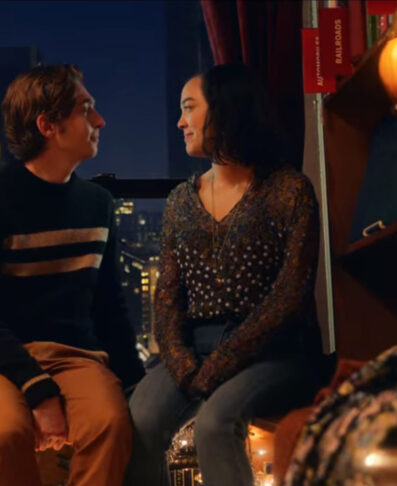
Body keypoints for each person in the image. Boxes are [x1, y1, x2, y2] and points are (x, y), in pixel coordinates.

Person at [125, 63, 323, 486]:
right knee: (140, 416)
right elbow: (167, 298)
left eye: (189, 108)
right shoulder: (181, 201)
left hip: (276, 353)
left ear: (225, 109)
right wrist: (184, 367)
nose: (180, 122)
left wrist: (221, 364)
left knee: (216, 423)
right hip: (194, 350)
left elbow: (290, 296)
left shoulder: (289, 190)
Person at [0, 64, 144, 486]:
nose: (100, 121)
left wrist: (141, 390)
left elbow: (110, 309)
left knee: (110, 425)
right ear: (48, 126)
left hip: (76, 357)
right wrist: (39, 391)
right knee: (4, 433)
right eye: (86, 110)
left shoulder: (98, 204)